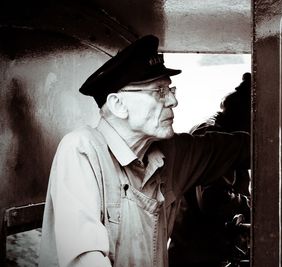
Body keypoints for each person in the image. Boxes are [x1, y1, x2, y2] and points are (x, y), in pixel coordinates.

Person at [38, 35, 249, 267]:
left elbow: (237, 148)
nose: (173, 101)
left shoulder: (171, 154)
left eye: (170, 89)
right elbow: (86, 260)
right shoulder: (81, 150)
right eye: (159, 91)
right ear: (119, 105)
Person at [168, 73, 252, 267]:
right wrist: (254, 209)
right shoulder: (217, 137)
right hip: (199, 255)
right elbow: (213, 199)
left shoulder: (212, 128)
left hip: (196, 250)